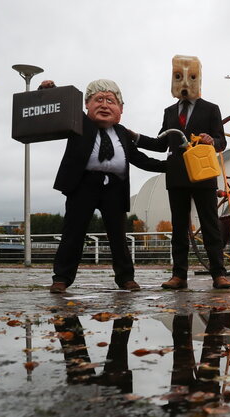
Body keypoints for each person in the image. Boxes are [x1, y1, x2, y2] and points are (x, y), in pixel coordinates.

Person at [49, 79, 165, 293]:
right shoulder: (78, 123)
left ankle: (126, 278)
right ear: (86, 104)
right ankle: (61, 278)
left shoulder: (122, 132)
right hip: (83, 184)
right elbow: (61, 109)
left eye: (110, 101)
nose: (104, 105)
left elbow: (140, 159)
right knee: (73, 233)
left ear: (121, 109)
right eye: (98, 100)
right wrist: (49, 91)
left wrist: (170, 167)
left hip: (115, 187)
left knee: (118, 236)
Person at [134, 55, 230, 290]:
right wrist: (134, 138)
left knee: (210, 225)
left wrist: (212, 140)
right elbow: (161, 143)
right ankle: (179, 275)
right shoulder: (169, 112)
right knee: (179, 227)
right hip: (176, 175)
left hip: (203, 173)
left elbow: (222, 141)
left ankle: (218, 274)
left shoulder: (211, 109)